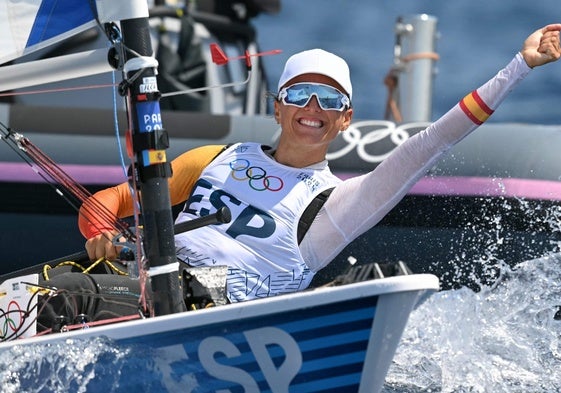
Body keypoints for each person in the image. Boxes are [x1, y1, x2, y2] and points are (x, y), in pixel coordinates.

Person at [79, 24, 561, 302]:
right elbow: (114, 201)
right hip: (136, 289)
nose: (313, 108)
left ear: (345, 119)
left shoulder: (337, 203)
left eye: (328, 99)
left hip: (217, 312)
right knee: (66, 293)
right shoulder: (216, 158)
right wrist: (101, 231)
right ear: (277, 106)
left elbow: (431, 142)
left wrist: (517, 68)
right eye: (300, 94)